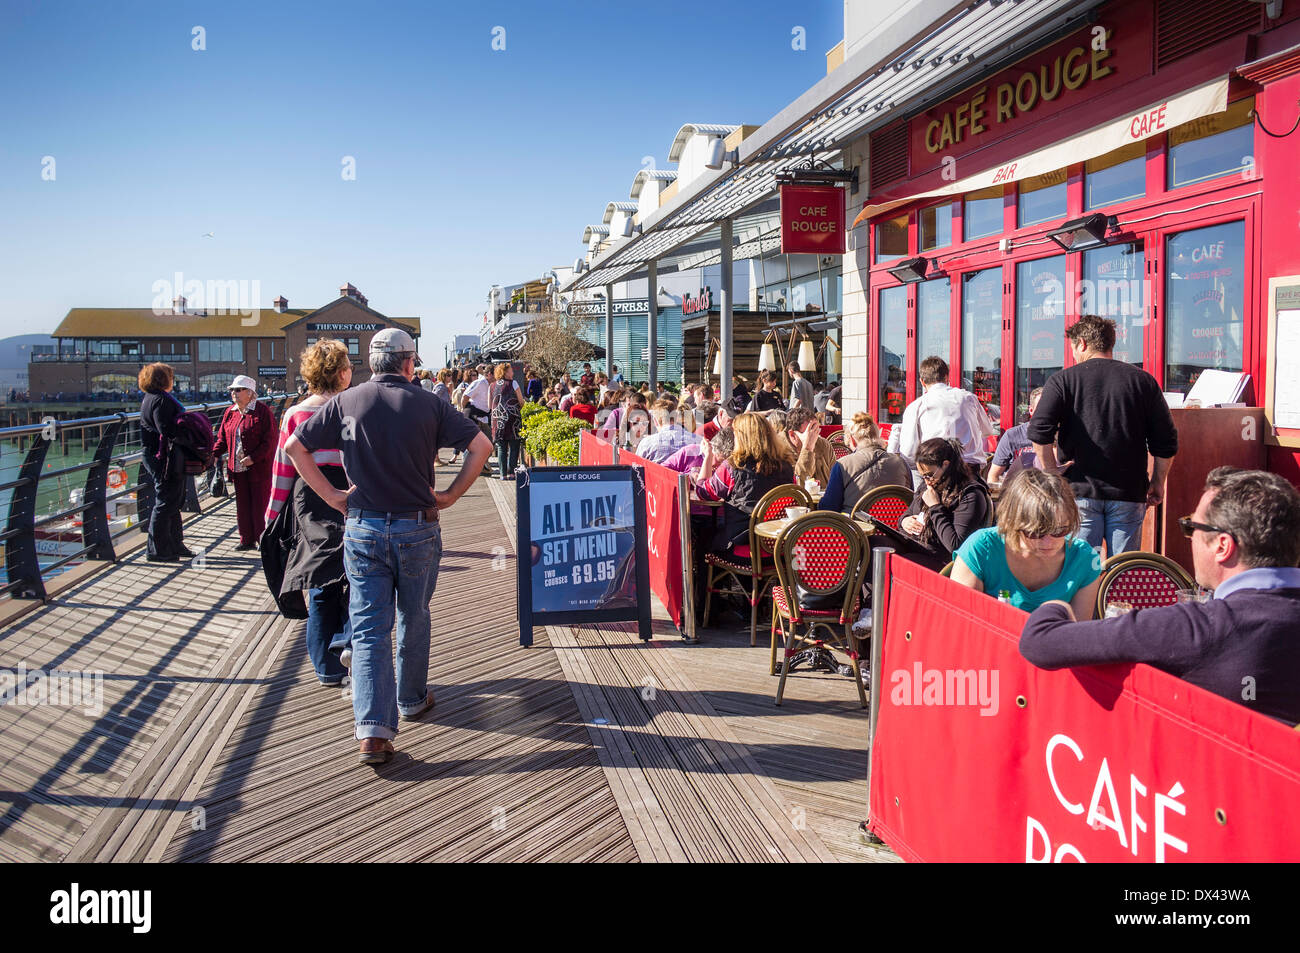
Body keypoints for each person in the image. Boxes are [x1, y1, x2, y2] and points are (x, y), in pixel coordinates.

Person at [284, 327, 493, 764]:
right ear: (408, 362)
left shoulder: (347, 402)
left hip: (363, 527)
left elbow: (294, 448)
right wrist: (451, 495)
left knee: (367, 626)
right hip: (417, 526)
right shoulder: (430, 403)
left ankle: (373, 732)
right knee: (413, 615)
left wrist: (334, 498)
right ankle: (412, 698)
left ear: (371, 363)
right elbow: (482, 446)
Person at [1019, 468, 1300, 726]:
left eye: (1192, 528)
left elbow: (1040, 641)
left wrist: (1056, 604)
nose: (1190, 539)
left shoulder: (1195, 628)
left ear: (1223, 546)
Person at [1028, 314, 1178, 557]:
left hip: (1079, 491)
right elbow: (1166, 442)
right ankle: (1118, 597)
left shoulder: (1063, 380)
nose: (1074, 355)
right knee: (1123, 572)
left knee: (1083, 569)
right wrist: (1158, 482)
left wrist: (1051, 472)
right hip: (1129, 493)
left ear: (1083, 344)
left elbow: (1038, 432)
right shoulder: (1143, 381)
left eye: (1073, 348)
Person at [265, 340, 354, 686]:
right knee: (354, 571)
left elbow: (283, 469)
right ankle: (344, 642)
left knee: (318, 579)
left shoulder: (295, 414)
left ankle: (325, 667)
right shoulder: (353, 409)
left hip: (309, 496)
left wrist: (273, 516)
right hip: (348, 492)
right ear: (343, 374)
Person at [951, 468, 1100, 616]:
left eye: (1059, 531)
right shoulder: (982, 548)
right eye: (1035, 532)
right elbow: (961, 621)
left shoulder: (1084, 559)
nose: (1048, 542)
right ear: (1012, 522)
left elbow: (1077, 633)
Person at [889, 356, 996, 490]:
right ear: (946, 377)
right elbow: (988, 431)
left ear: (922, 382)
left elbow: (908, 452)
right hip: (971, 474)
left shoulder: (916, 406)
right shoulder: (969, 398)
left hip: (936, 476)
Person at [693, 412, 795, 553]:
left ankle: (710, 574)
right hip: (779, 546)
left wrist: (708, 456)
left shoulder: (733, 466)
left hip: (743, 546)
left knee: (704, 538)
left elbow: (704, 493)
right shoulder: (787, 466)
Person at [897, 437, 992, 572]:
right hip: (916, 545)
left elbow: (955, 545)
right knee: (875, 544)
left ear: (946, 465)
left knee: (895, 560)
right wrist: (904, 522)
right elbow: (908, 513)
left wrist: (935, 507)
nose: (926, 480)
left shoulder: (970, 495)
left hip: (942, 560)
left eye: (929, 475)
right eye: (922, 475)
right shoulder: (929, 484)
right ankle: (873, 594)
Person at [212, 375, 279, 550]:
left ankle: (261, 539)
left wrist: (253, 458)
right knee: (242, 504)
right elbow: (222, 438)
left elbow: (270, 441)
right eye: (232, 390)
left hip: (259, 468)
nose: (234, 393)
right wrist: (213, 455)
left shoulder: (262, 412)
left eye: (238, 390)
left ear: (250, 393)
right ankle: (246, 538)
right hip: (237, 468)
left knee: (260, 503)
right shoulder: (230, 412)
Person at [137, 362, 192, 562]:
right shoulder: (160, 400)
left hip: (160, 456)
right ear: (163, 379)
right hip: (162, 458)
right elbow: (166, 430)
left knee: (173, 501)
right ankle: (157, 549)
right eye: (171, 377)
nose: (173, 380)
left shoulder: (150, 398)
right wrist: (189, 435)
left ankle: (175, 544)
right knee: (165, 501)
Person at [818, 412, 911, 513]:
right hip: (893, 526)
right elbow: (910, 500)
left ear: (852, 440)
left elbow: (829, 507)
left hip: (856, 526)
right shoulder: (901, 463)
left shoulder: (842, 465)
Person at [987, 387, 1043, 485]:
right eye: (1041, 408)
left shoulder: (1058, 436)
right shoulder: (1012, 436)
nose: (1046, 412)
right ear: (1031, 410)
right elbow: (993, 476)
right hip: (1017, 493)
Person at [635, 399, 700, 463]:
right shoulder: (698, 441)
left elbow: (636, 468)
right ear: (676, 417)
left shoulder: (647, 443)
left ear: (655, 421)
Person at [489, 361, 524, 480]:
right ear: (505, 372)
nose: (513, 372)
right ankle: (512, 473)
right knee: (514, 445)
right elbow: (521, 400)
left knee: (501, 447)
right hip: (513, 418)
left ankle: (502, 474)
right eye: (511, 370)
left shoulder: (492, 385)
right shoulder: (513, 383)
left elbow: (490, 404)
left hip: (497, 419)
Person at [784, 406, 834, 488]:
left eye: (816, 430)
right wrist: (807, 449)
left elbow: (836, 480)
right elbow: (799, 487)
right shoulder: (780, 451)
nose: (814, 436)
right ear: (792, 435)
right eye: (810, 432)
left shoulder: (823, 444)